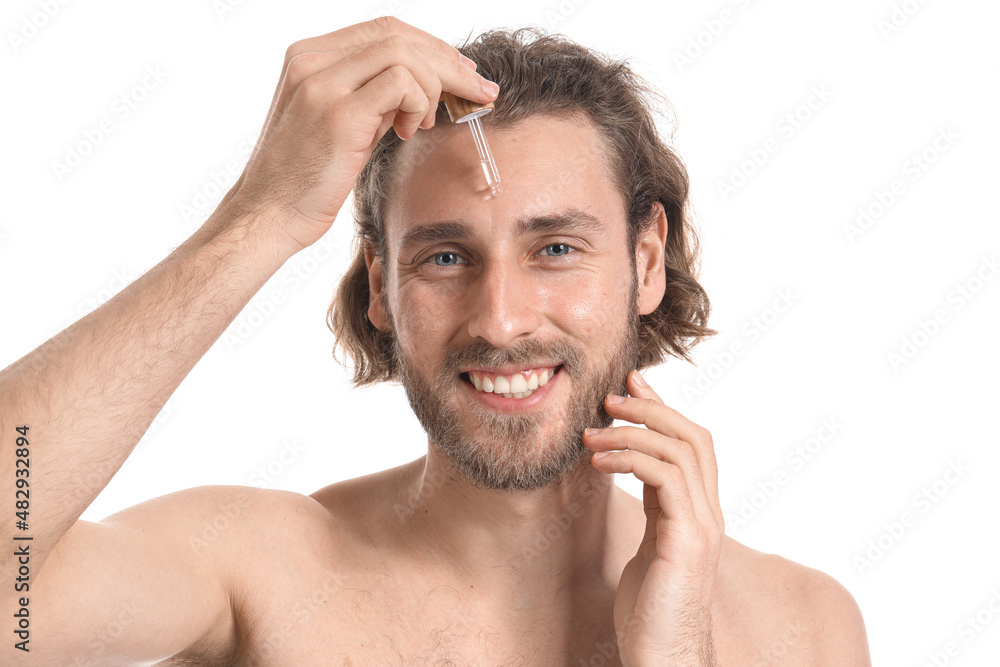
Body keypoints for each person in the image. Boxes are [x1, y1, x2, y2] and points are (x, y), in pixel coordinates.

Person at [0, 18, 871, 666]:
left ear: (646, 261)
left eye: (556, 249)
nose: (500, 319)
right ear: (380, 285)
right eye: (447, 256)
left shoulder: (801, 628)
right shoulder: (260, 573)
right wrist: (260, 218)